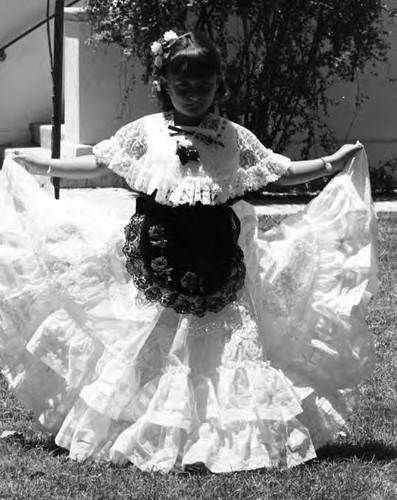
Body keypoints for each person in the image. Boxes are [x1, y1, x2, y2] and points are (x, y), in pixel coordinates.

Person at [0, 31, 377, 473]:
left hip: (219, 266)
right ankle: (141, 424)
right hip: (158, 262)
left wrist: (331, 162)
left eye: (203, 86)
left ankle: (222, 433)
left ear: (219, 85)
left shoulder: (232, 137)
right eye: (183, 86)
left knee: (224, 348)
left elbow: (280, 171)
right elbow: (101, 162)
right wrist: (42, 164)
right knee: (150, 345)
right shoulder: (145, 133)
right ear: (164, 85)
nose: (193, 94)